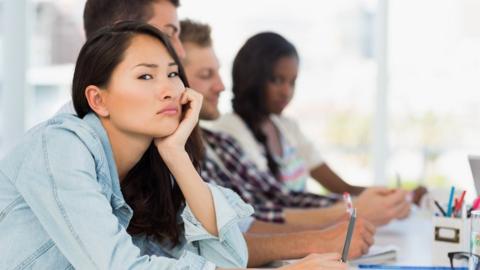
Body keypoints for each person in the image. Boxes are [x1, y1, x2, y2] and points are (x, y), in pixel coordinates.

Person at [0, 21, 348, 270]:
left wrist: (176, 155)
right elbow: (116, 266)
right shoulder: (59, 147)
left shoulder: (149, 168)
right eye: (145, 76)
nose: (168, 88)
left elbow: (227, 256)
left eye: (171, 73)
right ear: (98, 100)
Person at [179, 19, 375, 265]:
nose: (220, 86)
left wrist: (348, 212)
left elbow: (255, 214)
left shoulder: (221, 142)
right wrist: (327, 229)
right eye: (207, 75)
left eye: (292, 82)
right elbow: (246, 224)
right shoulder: (225, 131)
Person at [210, 32, 413, 227]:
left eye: (292, 82)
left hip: (308, 234)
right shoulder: (228, 132)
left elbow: (343, 188)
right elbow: (273, 205)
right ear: (252, 77)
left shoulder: (287, 128)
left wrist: (396, 198)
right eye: (277, 80)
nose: (286, 91)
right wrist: (352, 210)